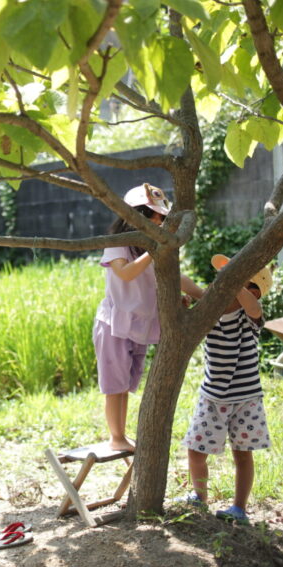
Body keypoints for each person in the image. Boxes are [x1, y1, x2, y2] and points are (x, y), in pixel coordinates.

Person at [93, 183, 203, 453]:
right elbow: (127, 274)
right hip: (114, 324)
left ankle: (121, 434)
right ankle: (116, 436)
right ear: (133, 216)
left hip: (138, 326)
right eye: (151, 215)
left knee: (125, 384)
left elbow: (173, 279)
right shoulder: (117, 245)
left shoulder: (154, 249)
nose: (158, 221)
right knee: (114, 385)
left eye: (161, 217)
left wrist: (201, 295)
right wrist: (152, 252)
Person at [178, 254, 273, 525]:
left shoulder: (250, 315)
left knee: (242, 454)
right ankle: (199, 496)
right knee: (195, 451)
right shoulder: (210, 309)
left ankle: (239, 508)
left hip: (246, 399)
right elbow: (188, 286)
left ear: (252, 291)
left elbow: (254, 307)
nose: (222, 287)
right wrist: (185, 302)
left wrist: (234, 284)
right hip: (213, 396)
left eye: (237, 284)